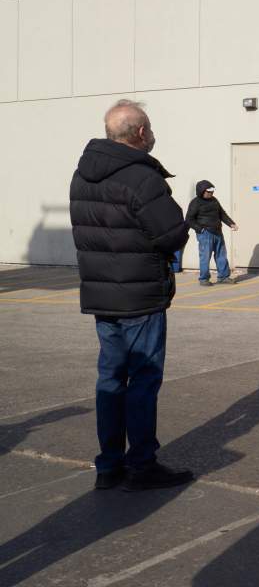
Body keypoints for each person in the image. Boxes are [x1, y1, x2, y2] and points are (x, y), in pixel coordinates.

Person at [69, 99, 194, 491]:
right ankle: (142, 463)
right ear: (140, 133)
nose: (153, 134)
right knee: (142, 379)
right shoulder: (141, 177)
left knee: (110, 378)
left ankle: (109, 465)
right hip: (140, 295)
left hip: (102, 295)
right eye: (150, 128)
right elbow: (171, 232)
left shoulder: (82, 175)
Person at [185, 181, 238, 285]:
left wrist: (231, 224)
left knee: (221, 255)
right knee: (205, 256)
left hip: (218, 231)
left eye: (212, 191)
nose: (211, 193)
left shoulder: (214, 201)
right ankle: (204, 279)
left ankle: (223, 277)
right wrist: (200, 229)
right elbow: (189, 219)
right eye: (208, 191)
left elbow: (222, 214)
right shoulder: (195, 203)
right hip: (205, 233)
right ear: (202, 191)